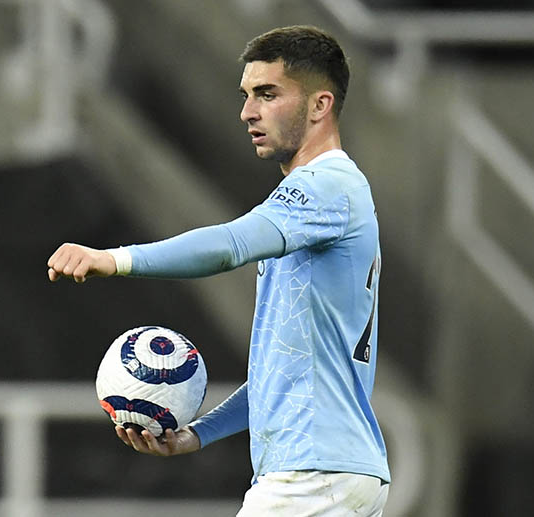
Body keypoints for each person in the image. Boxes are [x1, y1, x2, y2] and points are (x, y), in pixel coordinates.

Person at [47, 25, 390, 516]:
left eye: (267, 94)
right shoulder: (325, 201)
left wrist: (114, 259)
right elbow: (283, 371)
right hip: (332, 471)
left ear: (320, 105)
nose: (248, 112)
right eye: (246, 95)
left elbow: (229, 246)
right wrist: (200, 434)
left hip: (311, 475)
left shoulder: (326, 186)